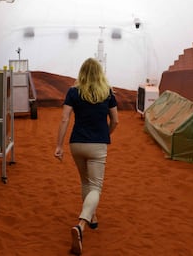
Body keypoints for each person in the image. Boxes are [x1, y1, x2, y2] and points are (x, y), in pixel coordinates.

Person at [54, 58, 119, 255]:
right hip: (97, 144)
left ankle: (93, 216)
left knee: (85, 182)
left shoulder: (73, 92)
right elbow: (116, 121)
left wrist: (59, 145)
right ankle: (82, 224)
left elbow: (65, 118)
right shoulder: (107, 92)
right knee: (96, 186)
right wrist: (106, 133)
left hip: (76, 143)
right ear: (100, 73)